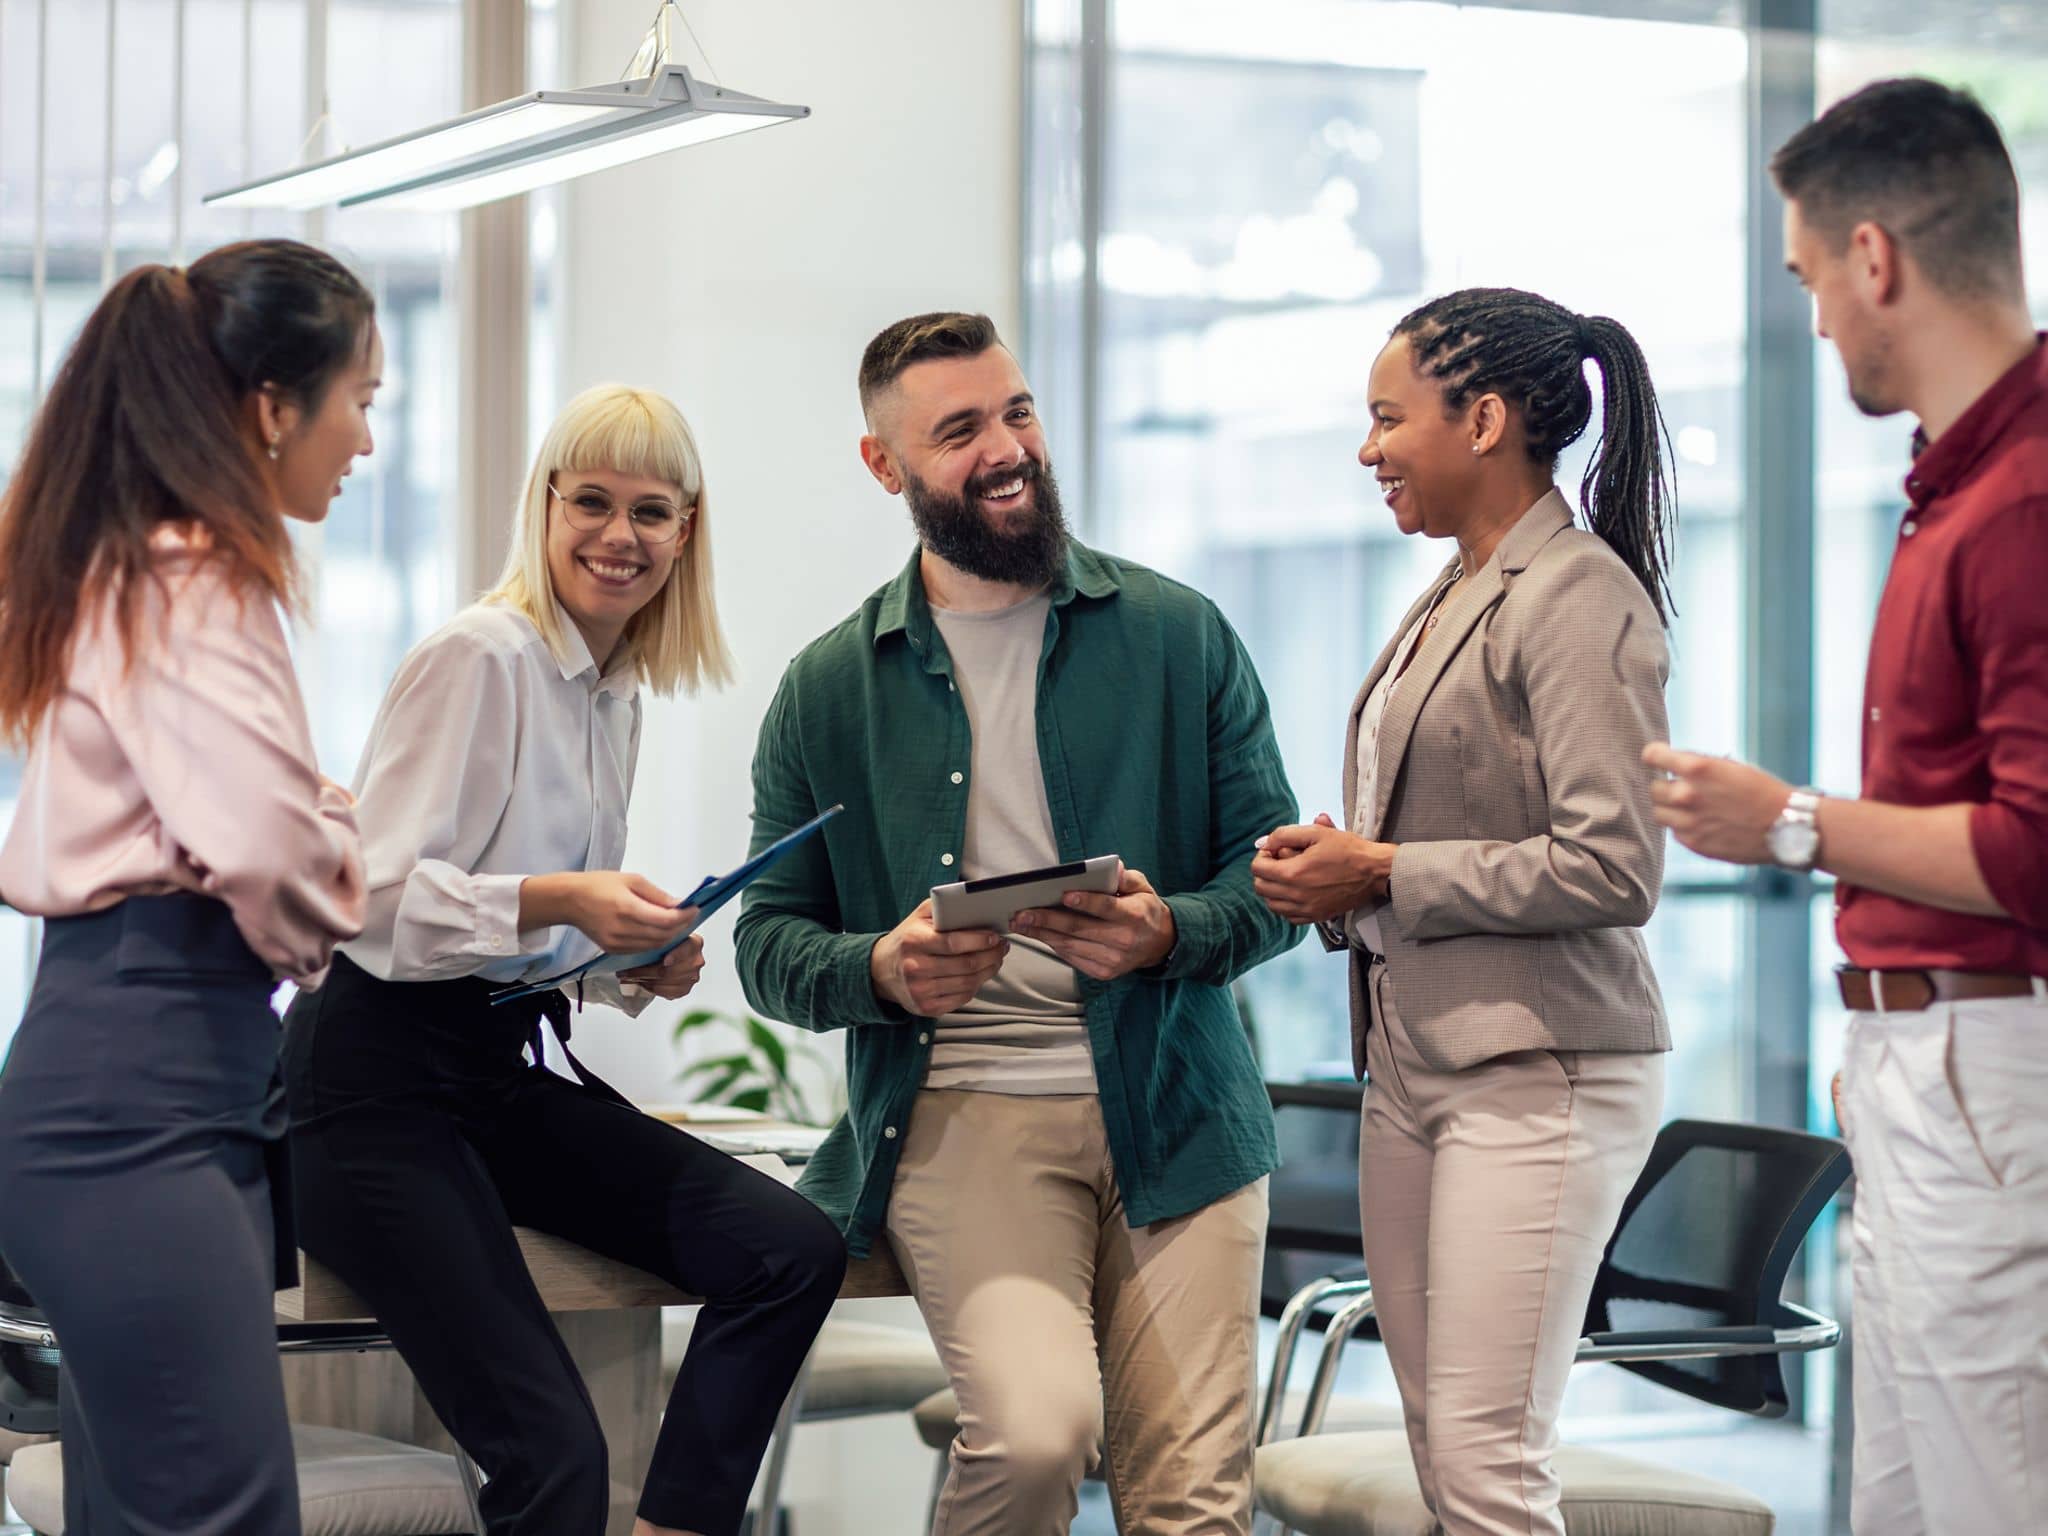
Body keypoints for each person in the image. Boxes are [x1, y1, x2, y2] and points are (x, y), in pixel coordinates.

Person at [734, 312, 1298, 1535]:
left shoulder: (1176, 633)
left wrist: (1170, 932)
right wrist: (877, 969)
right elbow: (766, 941)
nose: (1006, 449)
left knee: (1192, 1504)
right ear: (885, 467)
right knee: (1036, 1439)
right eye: (959, 431)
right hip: (964, 1112)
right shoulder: (832, 685)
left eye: (1017, 412)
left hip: (1179, 1110)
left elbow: (1271, 880)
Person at [280, 384, 846, 1536]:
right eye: (590, 501)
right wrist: (565, 899)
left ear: (687, 532)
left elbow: (506, 940)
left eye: (650, 512)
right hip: (365, 1094)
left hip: (486, 1073)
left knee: (789, 1251)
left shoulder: (616, 688)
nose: (618, 537)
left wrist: (615, 963)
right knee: (555, 1459)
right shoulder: (481, 656)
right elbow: (366, 903)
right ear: (543, 508)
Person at [1645, 78, 2048, 1535]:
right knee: (1903, 1496)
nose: (1816, 321)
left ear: (1876, 258)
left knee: (1986, 1490)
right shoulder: (1961, 486)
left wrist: (1789, 823)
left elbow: (2032, 851)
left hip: (1986, 1064)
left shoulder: (2020, 502)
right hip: (1931, 1058)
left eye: (1814, 280)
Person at [1253, 287, 1676, 1536]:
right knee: (1443, 1448)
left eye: (1388, 419)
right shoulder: (1456, 586)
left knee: (1487, 1464)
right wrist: (1346, 868)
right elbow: (1444, 819)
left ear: (1481, 418)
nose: (1367, 448)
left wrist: (1382, 871)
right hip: (1418, 1060)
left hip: (1537, 1070)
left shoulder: (1575, 595)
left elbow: (1614, 867)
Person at [0, 239, 379, 1534]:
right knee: (221, 1516)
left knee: (147, 1515)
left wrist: (314, 826)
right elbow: (276, 852)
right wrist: (343, 864)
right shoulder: (195, 575)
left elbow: (253, 817)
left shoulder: (134, 569)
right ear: (274, 407)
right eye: (360, 401)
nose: (366, 442)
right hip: (140, 1105)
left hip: (126, 1089)